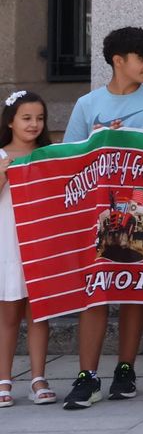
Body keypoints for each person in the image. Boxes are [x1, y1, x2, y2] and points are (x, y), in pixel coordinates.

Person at [60, 26, 143, 410]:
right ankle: (87, 375)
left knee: (134, 288)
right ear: (118, 61)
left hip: (142, 210)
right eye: (141, 59)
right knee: (94, 291)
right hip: (96, 213)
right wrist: (97, 140)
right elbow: (70, 161)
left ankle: (126, 370)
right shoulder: (87, 103)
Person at [0, 90, 53, 406]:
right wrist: (5, 172)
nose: (34, 124)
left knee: (40, 314)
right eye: (27, 118)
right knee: (8, 314)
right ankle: (4, 380)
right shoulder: (1, 155)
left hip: (41, 244)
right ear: (10, 121)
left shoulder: (48, 155)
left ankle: (38, 378)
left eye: (40, 118)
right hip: (8, 244)